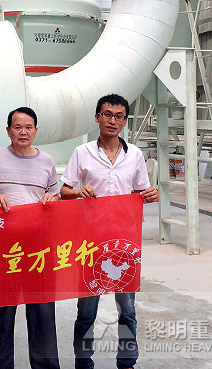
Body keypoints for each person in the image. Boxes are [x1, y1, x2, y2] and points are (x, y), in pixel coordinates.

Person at [59, 94, 159, 369]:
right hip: (90, 241)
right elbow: (64, 190)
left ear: (125, 121)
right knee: (86, 310)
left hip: (124, 242)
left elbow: (140, 191)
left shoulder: (135, 155)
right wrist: (78, 192)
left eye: (118, 116)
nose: (112, 121)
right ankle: (83, 362)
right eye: (107, 115)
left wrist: (150, 195)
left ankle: (127, 361)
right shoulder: (83, 153)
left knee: (127, 309)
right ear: (97, 118)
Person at [0, 107, 61, 369]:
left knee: (43, 314)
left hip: (39, 251)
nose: (23, 132)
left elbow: (56, 196)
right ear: (8, 130)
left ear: (36, 131)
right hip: (4, 250)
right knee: (3, 315)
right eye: (17, 127)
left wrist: (52, 199)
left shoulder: (47, 161)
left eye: (28, 127)